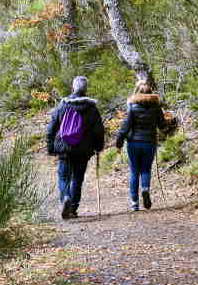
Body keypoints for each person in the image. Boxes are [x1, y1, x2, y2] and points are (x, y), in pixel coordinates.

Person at [46, 75, 105, 219]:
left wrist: (51, 147)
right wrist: (98, 147)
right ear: (86, 89)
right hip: (83, 150)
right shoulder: (92, 108)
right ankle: (72, 208)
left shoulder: (63, 105)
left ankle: (65, 197)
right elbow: (99, 131)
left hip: (65, 147)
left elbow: (51, 128)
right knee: (77, 179)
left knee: (64, 177)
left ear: (73, 87)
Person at [115, 80, 170, 212]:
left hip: (133, 143)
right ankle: (145, 189)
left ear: (137, 92)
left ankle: (134, 202)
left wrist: (119, 143)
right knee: (146, 169)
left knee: (134, 171)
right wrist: (169, 121)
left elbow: (125, 127)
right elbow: (162, 125)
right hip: (149, 142)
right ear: (151, 92)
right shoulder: (156, 107)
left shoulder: (132, 106)